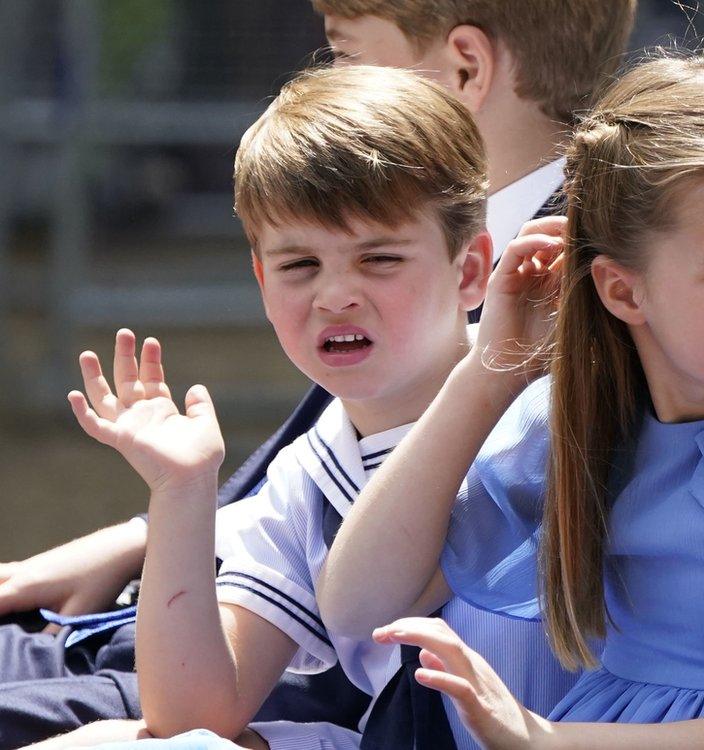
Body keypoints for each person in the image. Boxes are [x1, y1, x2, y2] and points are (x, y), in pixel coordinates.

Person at [0, 1, 635, 745]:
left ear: (472, 270)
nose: (336, 294)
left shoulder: (538, 396)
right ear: (261, 284)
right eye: (300, 265)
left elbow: (373, 600)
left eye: (380, 259)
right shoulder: (316, 465)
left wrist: (492, 373)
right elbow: (195, 714)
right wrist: (181, 493)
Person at [318, 51, 704, 749]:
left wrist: (540, 739)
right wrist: (490, 373)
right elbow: (358, 602)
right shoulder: (586, 413)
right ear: (623, 291)